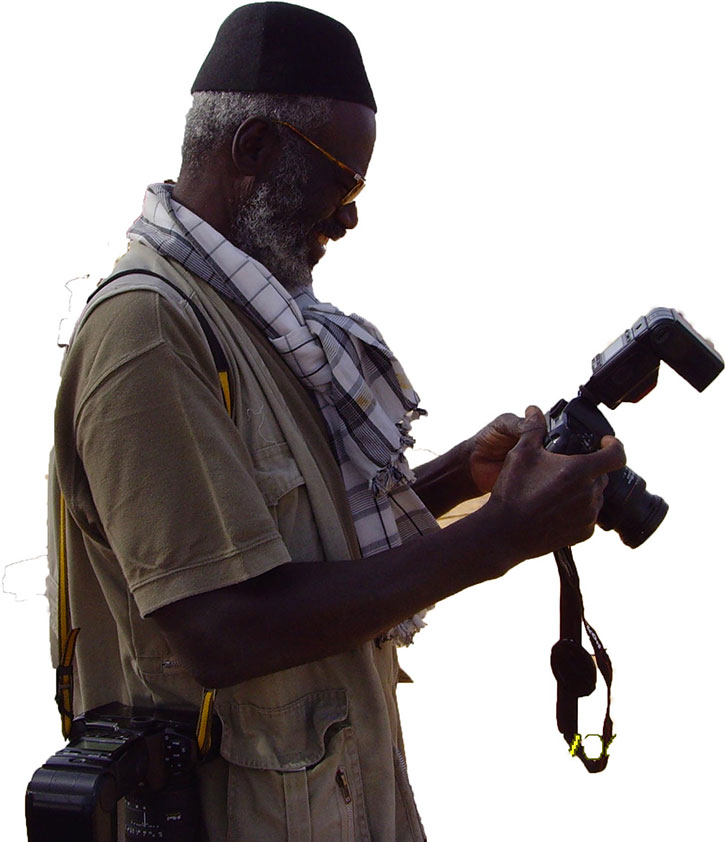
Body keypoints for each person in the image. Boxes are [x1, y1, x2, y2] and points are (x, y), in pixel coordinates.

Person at [48, 3, 625, 839]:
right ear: (253, 148)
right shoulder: (148, 330)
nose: (348, 217)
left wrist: (456, 479)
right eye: (340, 182)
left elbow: (296, 549)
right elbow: (222, 626)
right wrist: (502, 534)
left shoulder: (256, 322)